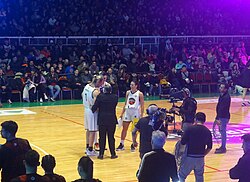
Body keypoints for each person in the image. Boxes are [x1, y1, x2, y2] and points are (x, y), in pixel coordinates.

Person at [178, 112, 212, 182]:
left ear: (195, 119)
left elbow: (183, 142)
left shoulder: (190, 129)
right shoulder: (207, 131)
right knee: (199, 177)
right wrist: (203, 154)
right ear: (204, 120)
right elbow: (209, 147)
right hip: (200, 158)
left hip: (189, 157)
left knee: (181, 176)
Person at [91, 84, 118, 159]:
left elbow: (94, 108)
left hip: (102, 119)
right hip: (112, 119)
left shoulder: (100, 97)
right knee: (111, 137)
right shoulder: (115, 97)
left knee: (102, 137)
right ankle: (113, 154)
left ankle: (101, 154)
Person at [116, 81, 144, 152]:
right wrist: (122, 113)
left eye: (132, 85)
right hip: (128, 112)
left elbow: (142, 105)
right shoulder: (128, 93)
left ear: (136, 86)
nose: (131, 86)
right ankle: (121, 144)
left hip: (135, 113)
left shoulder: (140, 94)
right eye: (130, 84)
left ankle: (133, 144)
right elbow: (125, 103)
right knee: (124, 129)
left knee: (134, 130)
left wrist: (141, 115)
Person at [82, 75, 103, 156]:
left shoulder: (87, 86)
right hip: (91, 111)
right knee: (93, 130)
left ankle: (87, 147)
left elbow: (82, 94)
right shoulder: (95, 92)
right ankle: (90, 149)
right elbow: (96, 104)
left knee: (88, 130)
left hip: (86, 109)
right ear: (99, 82)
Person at [214, 83, 231, 154]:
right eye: (220, 87)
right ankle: (222, 146)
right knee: (221, 131)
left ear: (225, 89)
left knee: (223, 132)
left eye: (222, 87)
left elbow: (222, 109)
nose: (220, 89)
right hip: (221, 116)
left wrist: (218, 118)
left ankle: (223, 147)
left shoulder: (226, 97)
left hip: (223, 116)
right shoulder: (222, 96)